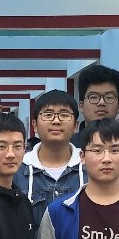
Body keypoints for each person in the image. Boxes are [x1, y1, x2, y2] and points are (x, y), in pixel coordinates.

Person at [15, 90, 85, 225]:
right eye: (48, 115)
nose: (56, 121)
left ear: (76, 126)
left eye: (64, 115)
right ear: (35, 125)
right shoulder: (18, 169)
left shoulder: (89, 166)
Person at [74, 63, 119, 154]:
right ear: (81, 105)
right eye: (94, 97)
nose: (101, 102)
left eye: (109, 97)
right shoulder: (67, 148)